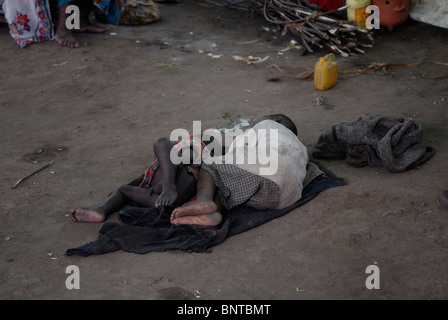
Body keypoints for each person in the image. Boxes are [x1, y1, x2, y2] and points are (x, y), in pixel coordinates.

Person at [170, 114, 309, 227]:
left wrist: (198, 146)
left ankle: (203, 199)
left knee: (210, 165)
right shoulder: (301, 148)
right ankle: (211, 214)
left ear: (276, 119)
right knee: (227, 183)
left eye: (256, 121)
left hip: (265, 169)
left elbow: (234, 152)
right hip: (284, 197)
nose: (254, 123)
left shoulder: (267, 125)